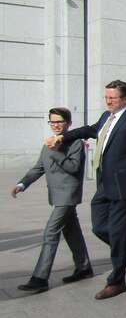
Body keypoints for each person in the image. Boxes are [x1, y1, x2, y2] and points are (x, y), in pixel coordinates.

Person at [48, 80, 126, 300]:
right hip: (104, 184)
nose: (108, 101)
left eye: (112, 98)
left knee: (116, 232)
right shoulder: (107, 116)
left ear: (125, 99)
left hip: (125, 186)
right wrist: (63, 137)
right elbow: (90, 130)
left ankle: (117, 281)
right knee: (99, 228)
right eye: (106, 97)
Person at [12, 107, 93, 294]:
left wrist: (56, 151)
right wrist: (22, 184)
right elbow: (38, 168)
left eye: (59, 121)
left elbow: (73, 168)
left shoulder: (76, 143)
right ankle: (84, 267)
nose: (55, 125)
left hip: (68, 195)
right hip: (56, 195)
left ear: (68, 123)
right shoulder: (48, 143)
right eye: (52, 122)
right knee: (72, 232)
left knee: (50, 232)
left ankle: (40, 278)